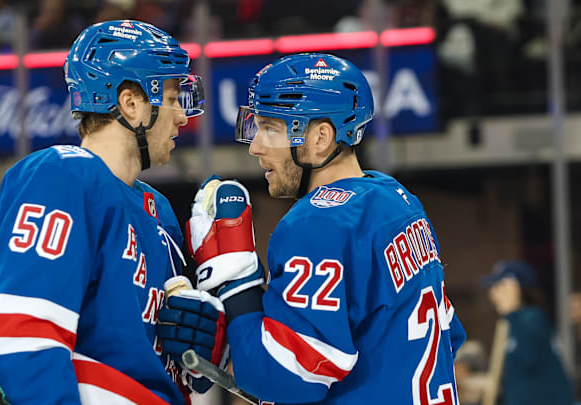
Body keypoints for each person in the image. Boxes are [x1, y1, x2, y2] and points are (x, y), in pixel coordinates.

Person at [157, 53, 466, 404]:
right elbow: (449, 336)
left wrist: (236, 281)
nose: (256, 146)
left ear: (320, 137)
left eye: (271, 129)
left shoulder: (317, 222)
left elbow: (285, 378)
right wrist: (239, 338)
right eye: (255, 127)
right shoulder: (399, 202)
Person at [0, 20, 212, 404]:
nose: (182, 116)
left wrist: (198, 346)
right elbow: (17, 341)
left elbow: (158, 364)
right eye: (172, 96)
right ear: (131, 103)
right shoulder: (61, 176)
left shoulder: (157, 211)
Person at [483, 260, 573, 405]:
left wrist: (510, 311)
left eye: (499, 287)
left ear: (516, 289)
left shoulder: (531, 318)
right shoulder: (511, 322)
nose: (492, 294)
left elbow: (529, 357)